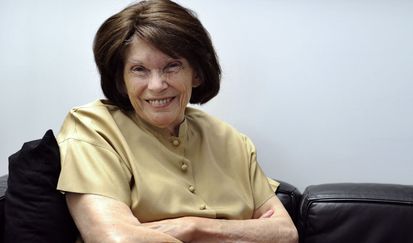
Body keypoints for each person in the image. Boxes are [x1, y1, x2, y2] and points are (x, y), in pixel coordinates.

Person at [56, 0, 298, 242]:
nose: (157, 85)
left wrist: (191, 227)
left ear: (197, 73)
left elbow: (285, 234)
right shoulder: (93, 127)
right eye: (139, 69)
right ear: (121, 80)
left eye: (172, 66)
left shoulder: (230, 139)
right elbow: (112, 239)